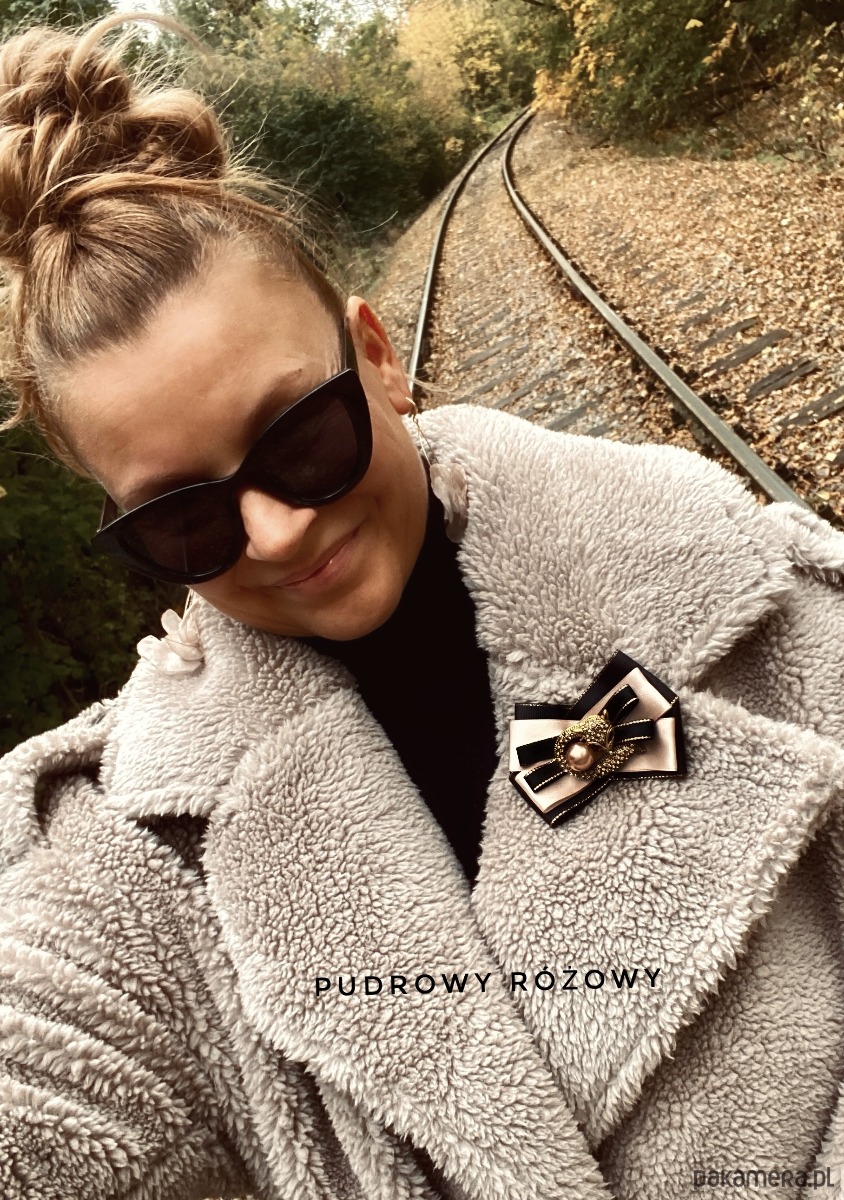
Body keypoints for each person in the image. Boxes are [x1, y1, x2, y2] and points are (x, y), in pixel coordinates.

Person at [1, 12, 844, 1200]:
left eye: (301, 436)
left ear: (377, 356)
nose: (274, 531)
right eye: (184, 518)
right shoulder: (124, 858)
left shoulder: (752, 596)